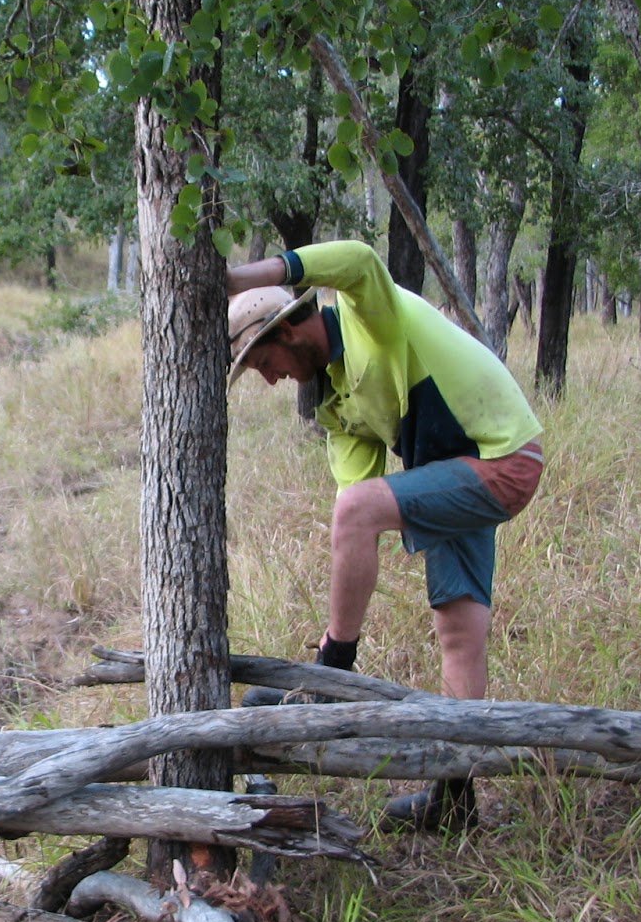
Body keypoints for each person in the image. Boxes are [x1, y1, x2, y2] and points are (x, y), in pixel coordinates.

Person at [226, 240, 544, 831]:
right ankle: (455, 800)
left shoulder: (367, 316)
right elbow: (357, 504)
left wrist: (242, 276)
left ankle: (333, 674)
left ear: (288, 333)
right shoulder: (334, 402)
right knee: (459, 631)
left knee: (356, 509)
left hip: (503, 459)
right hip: (455, 467)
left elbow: (364, 260)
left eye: (263, 362)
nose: (269, 380)